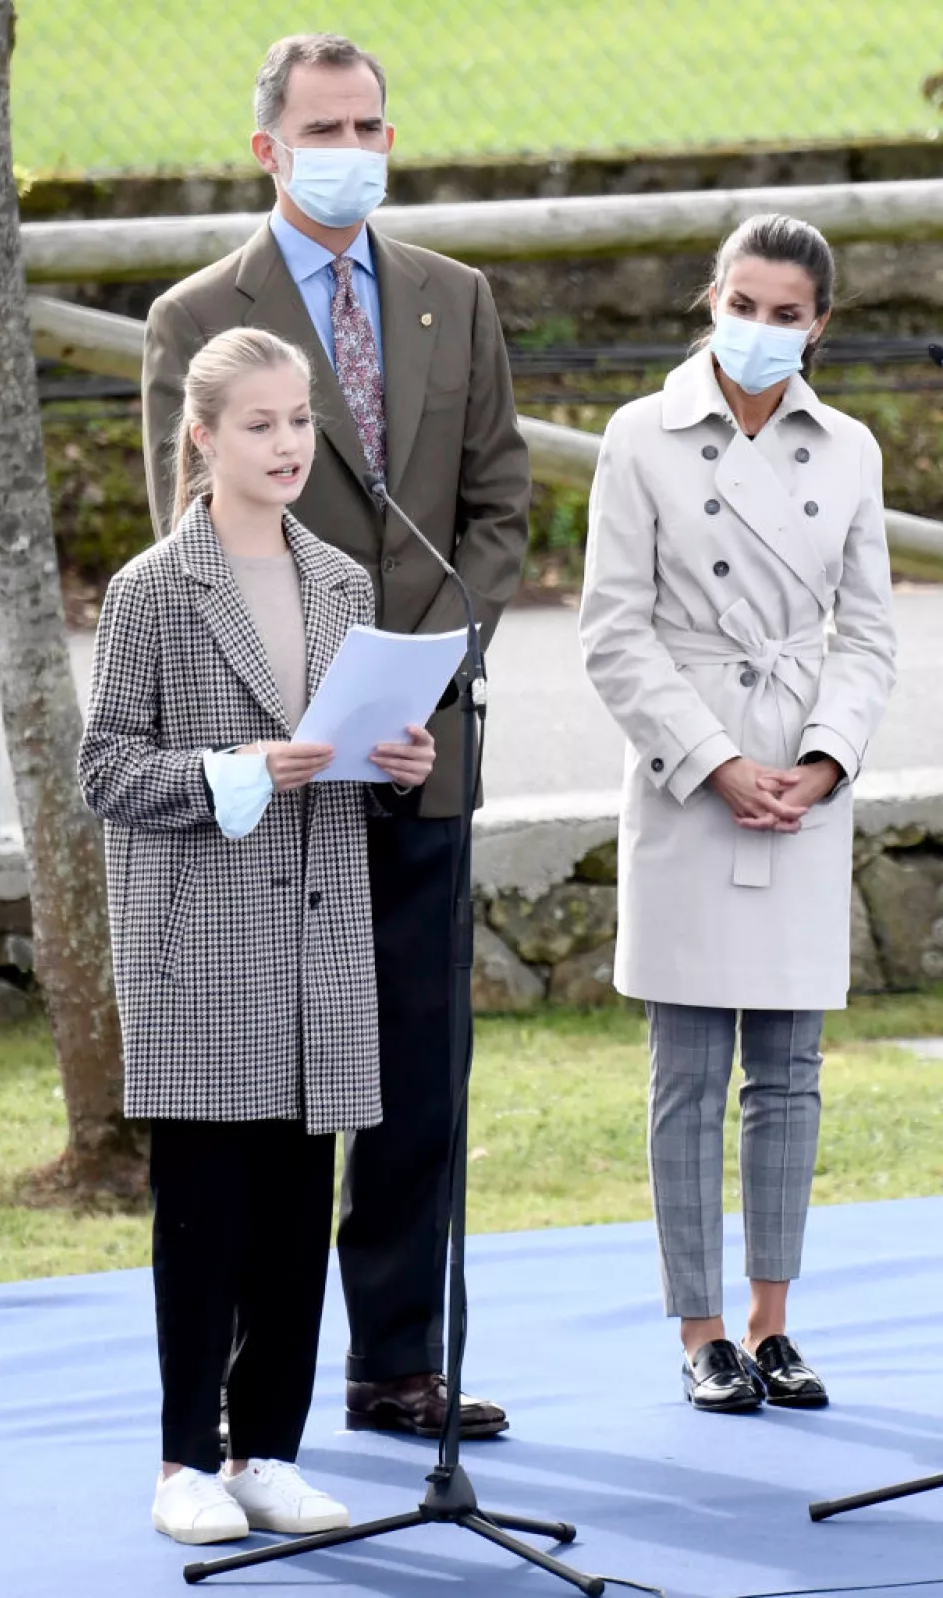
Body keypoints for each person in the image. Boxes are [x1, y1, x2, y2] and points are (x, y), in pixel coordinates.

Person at [142, 31, 529, 1442]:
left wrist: (424, 673)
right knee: (284, 1092)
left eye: (372, 124)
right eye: (326, 127)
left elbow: (498, 508)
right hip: (284, 770)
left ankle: (401, 1362)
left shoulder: (453, 298)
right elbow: (186, 547)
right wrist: (303, 708)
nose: (354, 148)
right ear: (267, 148)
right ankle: (255, 1388)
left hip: (424, 750)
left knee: (421, 1080)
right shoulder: (197, 314)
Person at [78, 328, 436, 1544]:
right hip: (201, 947)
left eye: (299, 422)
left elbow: (345, 753)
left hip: (318, 942)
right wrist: (232, 771)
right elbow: (108, 766)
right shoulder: (149, 591)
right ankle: (184, 1459)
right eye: (260, 425)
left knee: (295, 1212)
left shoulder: (342, 581)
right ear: (203, 437)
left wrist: (398, 762)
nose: (287, 445)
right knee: (205, 1215)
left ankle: (267, 1449)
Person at [579, 214, 897, 1414]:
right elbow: (612, 629)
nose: (760, 330)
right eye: (743, 304)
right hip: (688, 771)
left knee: (793, 1071)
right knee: (689, 1070)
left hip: (804, 776)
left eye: (786, 313)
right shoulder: (638, 437)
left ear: (820, 324)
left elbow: (869, 632)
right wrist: (713, 761)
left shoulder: (853, 449)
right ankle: (699, 1326)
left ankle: (774, 1322)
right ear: (710, 298)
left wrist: (823, 759)